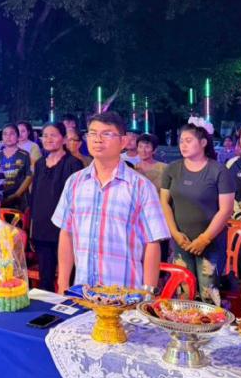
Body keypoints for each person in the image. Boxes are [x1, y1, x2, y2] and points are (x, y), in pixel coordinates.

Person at [54, 112, 169, 294]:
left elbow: (152, 244)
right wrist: (63, 284)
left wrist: (147, 294)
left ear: (123, 142)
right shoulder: (74, 182)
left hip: (126, 297)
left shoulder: (140, 186)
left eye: (106, 134)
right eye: (92, 133)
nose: (98, 139)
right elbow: (66, 234)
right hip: (82, 293)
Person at [160, 119, 235, 305]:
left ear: (203, 143)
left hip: (211, 243)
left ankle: (210, 323)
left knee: (208, 293)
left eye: (188, 140)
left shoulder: (219, 171)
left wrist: (204, 239)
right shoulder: (172, 169)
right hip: (181, 241)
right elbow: (165, 203)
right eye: (181, 141)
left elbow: (226, 210)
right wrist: (175, 233)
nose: (183, 145)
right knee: (183, 291)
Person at [29, 122, 84, 291]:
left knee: (68, 278)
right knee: (45, 278)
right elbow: (35, 195)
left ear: (64, 139)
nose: (48, 139)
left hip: (64, 230)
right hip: (41, 228)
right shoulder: (39, 164)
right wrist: (32, 226)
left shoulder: (73, 164)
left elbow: (77, 200)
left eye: (53, 135)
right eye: (45, 136)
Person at [0, 124, 32, 210]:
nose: (8, 137)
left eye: (12, 134)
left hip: (20, 201)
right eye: (5, 134)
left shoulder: (24, 155)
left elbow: (29, 176)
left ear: (18, 137)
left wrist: (17, 194)